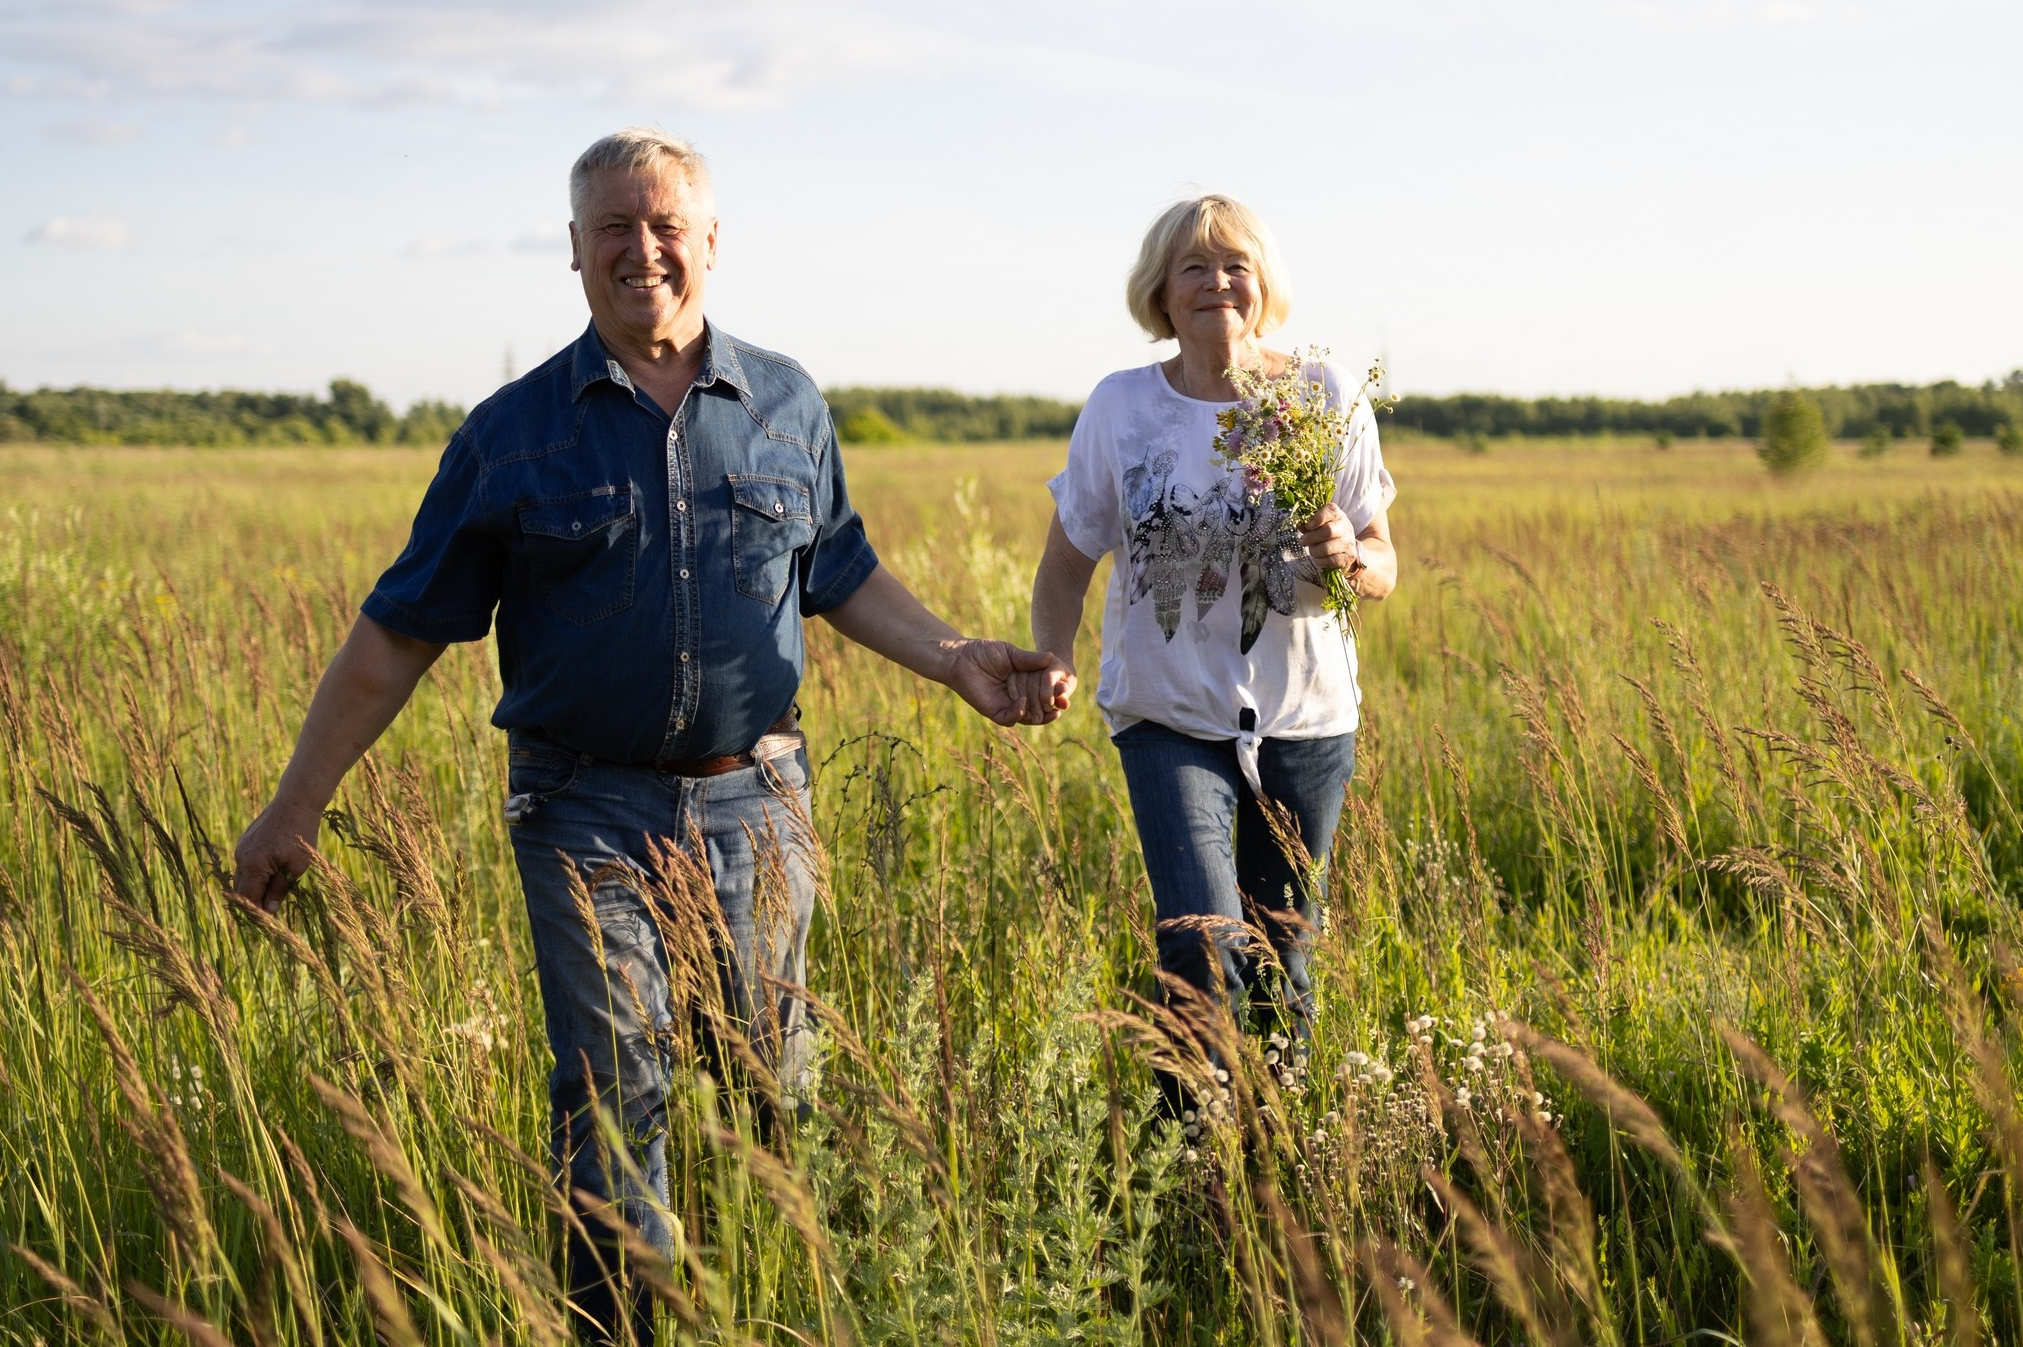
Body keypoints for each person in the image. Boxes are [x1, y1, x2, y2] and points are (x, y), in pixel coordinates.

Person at [229, 127, 1062, 1344]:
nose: (642, 249)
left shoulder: (784, 403)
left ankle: (779, 1302)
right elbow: (396, 637)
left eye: (666, 223)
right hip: (583, 807)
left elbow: (838, 571)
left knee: (773, 1083)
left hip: (757, 803)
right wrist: (298, 801)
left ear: (712, 242)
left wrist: (951, 661)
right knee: (615, 1090)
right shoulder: (510, 435)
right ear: (573, 252)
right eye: (613, 227)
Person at [1027, 193, 1396, 1077]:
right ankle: (1188, 1158)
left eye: (1235, 265)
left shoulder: (1322, 392)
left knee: (1282, 959)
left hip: (1306, 723)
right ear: (1161, 291)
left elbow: (1384, 563)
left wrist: (1349, 553)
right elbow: (1065, 567)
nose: (1216, 282)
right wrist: (1054, 657)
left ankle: (1274, 1157)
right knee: (1201, 945)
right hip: (1168, 717)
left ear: (1263, 283)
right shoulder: (1121, 409)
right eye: (1193, 267)